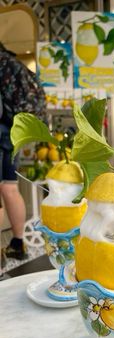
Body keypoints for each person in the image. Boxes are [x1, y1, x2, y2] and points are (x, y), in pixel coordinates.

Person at [0, 42, 47, 261]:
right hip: (13, 132)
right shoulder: (13, 63)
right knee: (10, 186)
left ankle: (17, 245)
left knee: (6, 189)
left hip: (2, 132)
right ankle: (18, 243)